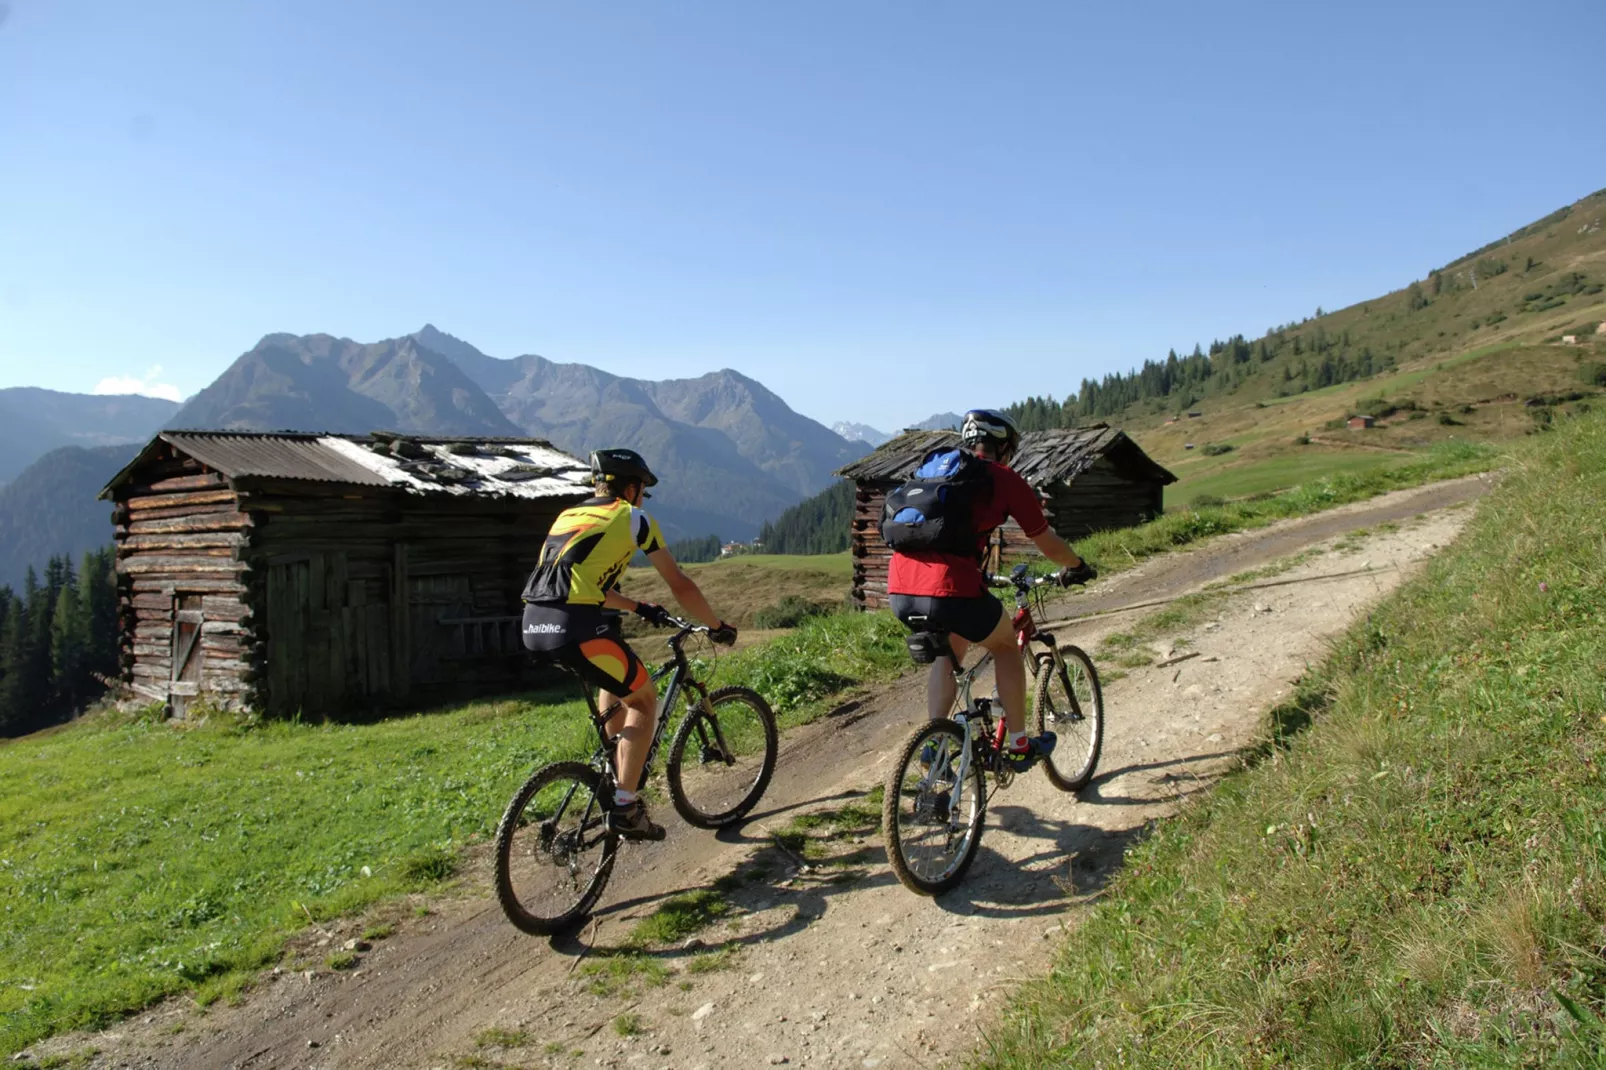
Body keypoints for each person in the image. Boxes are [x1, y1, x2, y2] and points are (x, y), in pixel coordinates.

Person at [521, 448, 737, 841]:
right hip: (576, 627)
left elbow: (584, 586)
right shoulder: (633, 518)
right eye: (642, 491)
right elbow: (680, 583)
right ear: (633, 487)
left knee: (617, 679)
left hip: (534, 624)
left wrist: (638, 606)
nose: (643, 499)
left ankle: (611, 771)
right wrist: (716, 624)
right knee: (643, 700)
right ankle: (625, 807)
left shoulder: (569, 516)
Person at [887, 409, 1095, 770]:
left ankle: (935, 742)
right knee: (1004, 644)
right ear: (1003, 447)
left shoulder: (932, 474)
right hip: (950, 588)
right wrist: (1076, 565)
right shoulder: (1002, 478)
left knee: (948, 652)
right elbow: (1045, 540)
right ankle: (1018, 744)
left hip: (901, 590)